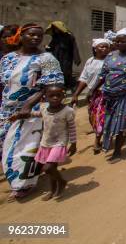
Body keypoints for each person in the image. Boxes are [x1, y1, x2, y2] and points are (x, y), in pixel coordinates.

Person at [0, 23, 64, 201]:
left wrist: (28, 105)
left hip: (31, 111)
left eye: (39, 35)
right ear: (20, 36)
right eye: (31, 35)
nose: (35, 38)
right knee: (6, 146)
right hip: (6, 109)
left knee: (24, 148)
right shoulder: (8, 58)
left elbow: (53, 85)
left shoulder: (46, 59)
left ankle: (23, 185)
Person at [89, 28, 126, 162]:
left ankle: (117, 152)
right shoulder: (111, 56)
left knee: (122, 122)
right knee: (111, 120)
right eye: (117, 41)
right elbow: (103, 74)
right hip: (110, 95)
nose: (119, 43)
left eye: (122, 41)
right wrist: (93, 89)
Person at [12, 84, 77, 200]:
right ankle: (52, 190)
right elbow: (38, 114)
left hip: (60, 143)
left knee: (48, 168)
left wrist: (74, 143)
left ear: (63, 96)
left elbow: (72, 128)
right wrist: (19, 116)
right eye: (51, 95)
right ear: (46, 97)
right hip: (46, 143)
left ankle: (61, 182)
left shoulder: (68, 111)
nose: (55, 98)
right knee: (51, 169)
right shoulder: (44, 108)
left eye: (58, 95)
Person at [71, 38, 111, 153]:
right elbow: (84, 78)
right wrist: (76, 94)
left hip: (106, 93)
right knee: (92, 116)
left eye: (106, 47)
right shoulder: (90, 61)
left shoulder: (111, 61)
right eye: (101, 46)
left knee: (100, 116)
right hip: (93, 94)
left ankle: (97, 140)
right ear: (95, 48)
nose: (104, 49)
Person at [45, 21, 81, 89]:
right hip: (56, 56)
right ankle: (59, 85)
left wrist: (76, 58)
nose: (56, 30)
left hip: (66, 57)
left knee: (65, 71)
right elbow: (52, 46)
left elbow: (74, 47)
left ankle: (68, 85)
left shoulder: (69, 36)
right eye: (54, 29)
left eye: (57, 28)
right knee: (56, 70)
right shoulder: (55, 37)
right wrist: (48, 48)